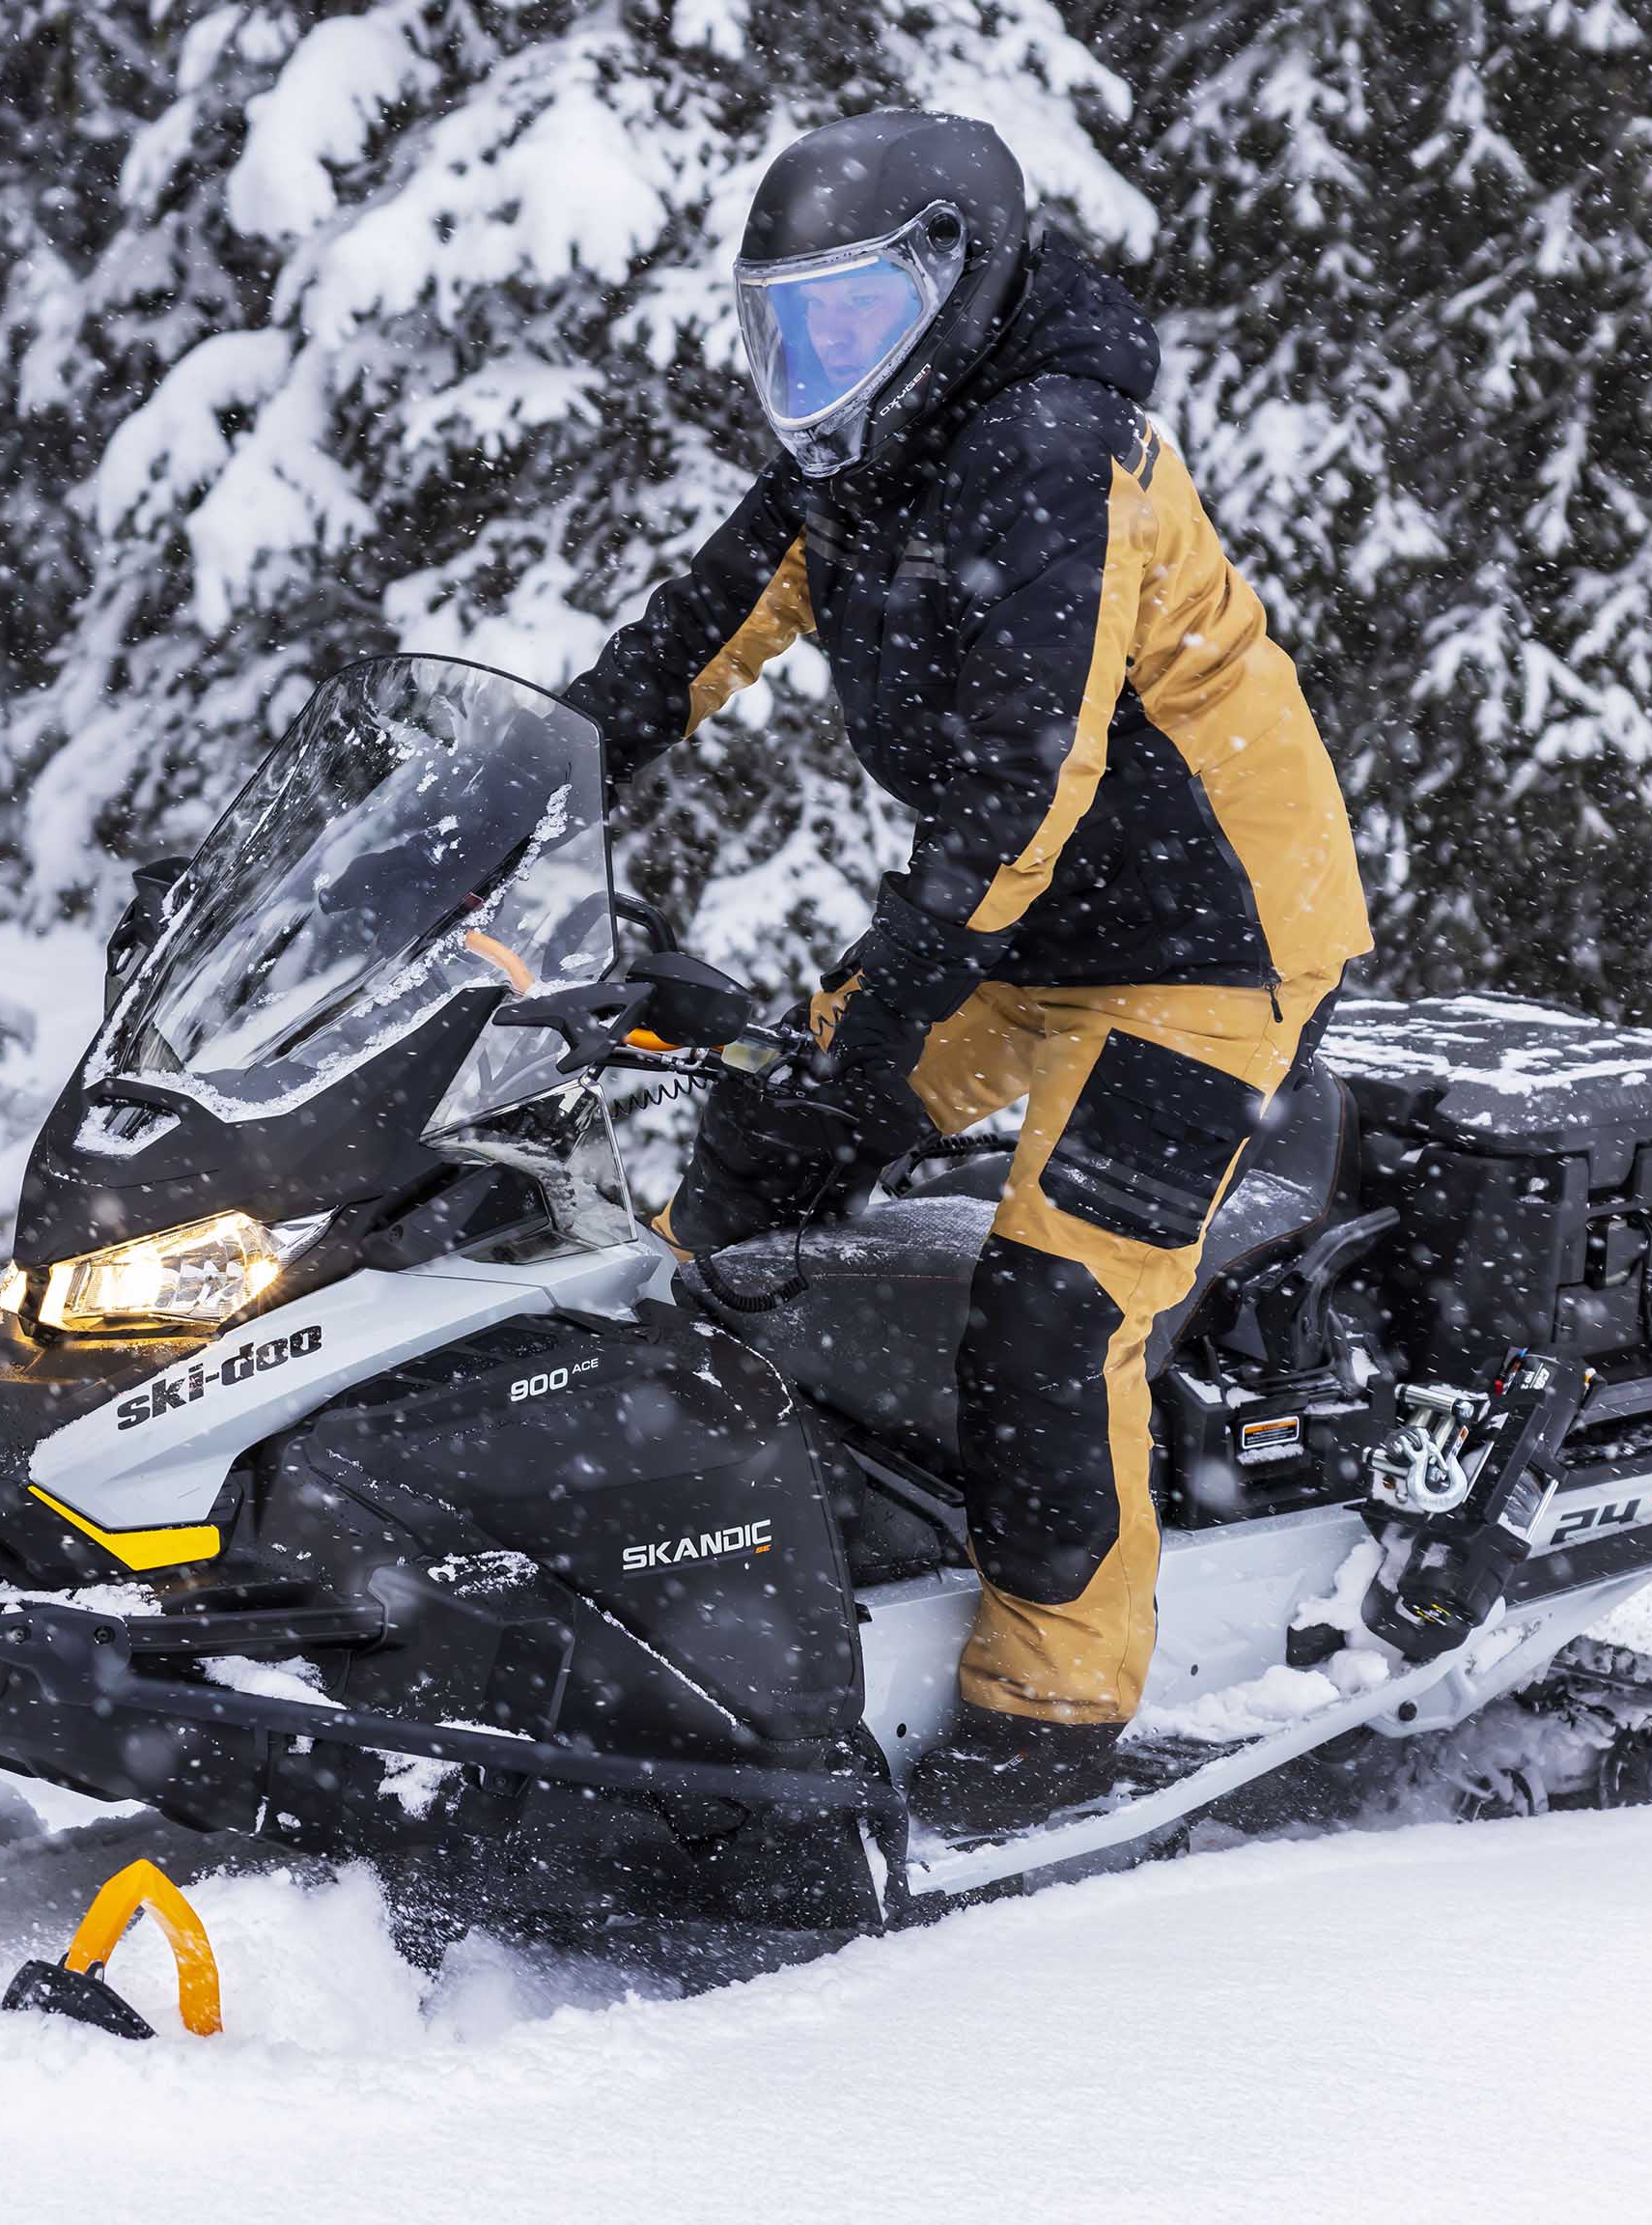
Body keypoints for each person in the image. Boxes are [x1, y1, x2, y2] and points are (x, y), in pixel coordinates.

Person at [558, 109, 1375, 1838]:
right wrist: (481, 807)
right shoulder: (859, 466)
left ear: (959, 284)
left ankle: (1050, 1716)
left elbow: (1025, 779)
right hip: (1024, 922)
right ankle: (726, 1549)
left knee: (1052, 1313)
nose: (809, 370)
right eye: (783, 327)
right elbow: (668, 657)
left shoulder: (1051, 447)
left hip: (1204, 943)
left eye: (845, 323)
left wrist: (890, 1023)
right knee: (764, 1150)